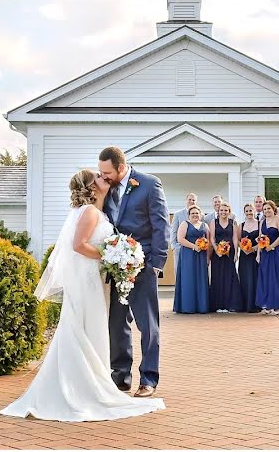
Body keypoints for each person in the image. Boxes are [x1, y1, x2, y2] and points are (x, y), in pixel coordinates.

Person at [0, 169, 165, 421]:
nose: (104, 178)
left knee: (91, 330)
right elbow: (78, 245)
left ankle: (91, 382)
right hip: (89, 280)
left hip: (98, 279)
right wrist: (111, 255)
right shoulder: (89, 212)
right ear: (91, 187)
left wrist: (120, 255)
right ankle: (87, 386)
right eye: (99, 177)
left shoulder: (99, 209)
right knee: (88, 330)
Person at [99, 146, 169, 398]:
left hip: (144, 265)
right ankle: (121, 377)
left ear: (121, 167)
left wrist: (157, 263)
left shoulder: (149, 185)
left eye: (107, 172)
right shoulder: (105, 188)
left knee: (147, 325)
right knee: (117, 324)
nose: (103, 176)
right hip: (115, 267)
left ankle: (148, 378)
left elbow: (161, 225)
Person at [173, 205, 210, 314]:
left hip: (201, 256)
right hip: (188, 255)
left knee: (201, 279)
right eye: (192, 213)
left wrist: (208, 257)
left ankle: (201, 306)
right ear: (189, 215)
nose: (195, 215)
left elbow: (208, 242)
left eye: (197, 213)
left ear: (200, 214)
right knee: (188, 278)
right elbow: (180, 239)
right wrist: (194, 246)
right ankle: (188, 306)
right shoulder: (185, 224)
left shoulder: (205, 225)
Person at [255, 200, 279, 315]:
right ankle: (267, 305)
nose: (266, 211)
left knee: (275, 276)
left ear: (273, 208)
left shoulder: (278, 219)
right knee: (265, 277)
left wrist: (272, 246)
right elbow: (260, 238)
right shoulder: (262, 222)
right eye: (264, 209)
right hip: (265, 253)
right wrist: (258, 254)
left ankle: (277, 306)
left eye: (268, 208)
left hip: (275, 252)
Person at [208, 202, 244, 313]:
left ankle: (230, 305)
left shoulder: (233, 223)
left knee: (230, 277)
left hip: (230, 253)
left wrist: (236, 253)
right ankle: (218, 305)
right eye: (221, 210)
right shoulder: (213, 222)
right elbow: (212, 239)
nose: (223, 212)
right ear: (218, 212)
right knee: (217, 277)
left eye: (225, 210)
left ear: (229, 212)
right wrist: (216, 250)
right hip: (217, 253)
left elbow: (234, 239)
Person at [238, 203, 261, 313]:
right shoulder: (241, 225)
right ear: (244, 212)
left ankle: (255, 304)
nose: (249, 213)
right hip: (244, 256)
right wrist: (243, 248)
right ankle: (245, 304)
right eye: (247, 211)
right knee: (245, 278)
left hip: (255, 255)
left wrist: (254, 249)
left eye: (250, 210)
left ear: (254, 211)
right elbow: (237, 240)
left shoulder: (260, 224)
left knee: (255, 278)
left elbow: (262, 239)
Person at [170, 193, 198, 267]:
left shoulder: (199, 215)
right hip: (180, 249)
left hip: (195, 250)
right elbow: (173, 231)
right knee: (179, 272)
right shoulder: (178, 214)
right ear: (186, 200)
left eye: (193, 200)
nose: (191, 201)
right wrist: (174, 247)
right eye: (189, 199)